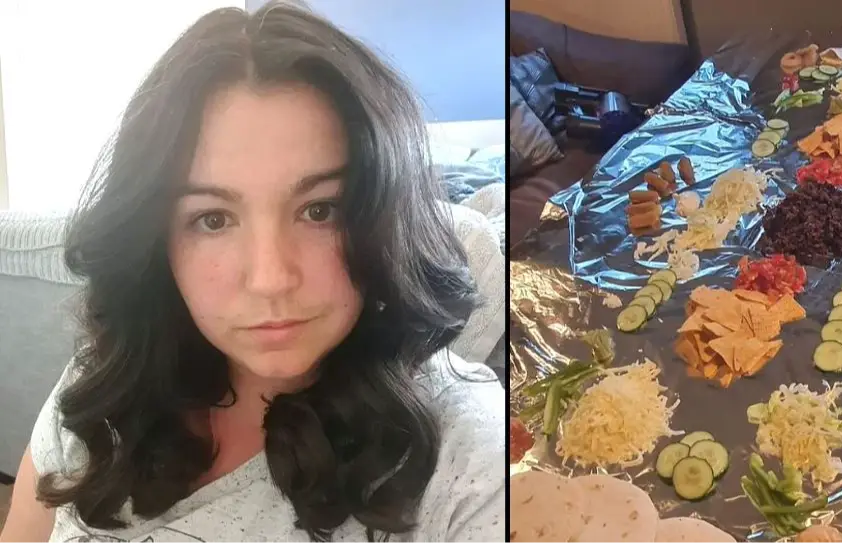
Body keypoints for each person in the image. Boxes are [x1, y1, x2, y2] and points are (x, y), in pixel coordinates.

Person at [0, 2, 505, 542]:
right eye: (213, 219)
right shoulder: (100, 388)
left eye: (321, 210)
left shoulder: (469, 461)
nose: (270, 278)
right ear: (157, 238)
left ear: (383, 216)